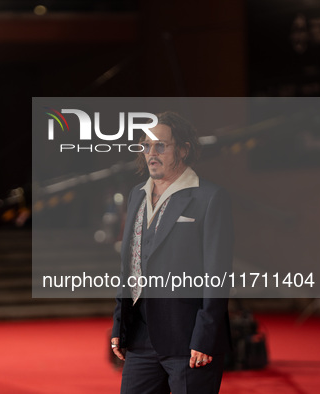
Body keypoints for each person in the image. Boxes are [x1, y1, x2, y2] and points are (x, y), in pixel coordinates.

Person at [111, 112, 233, 394]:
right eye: (146, 146)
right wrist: (120, 323)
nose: (151, 153)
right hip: (140, 338)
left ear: (183, 149)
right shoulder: (136, 195)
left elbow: (218, 274)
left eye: (160, 146)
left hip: (188, 340)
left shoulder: (209, 197)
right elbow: (128, 265)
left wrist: (205, 337)